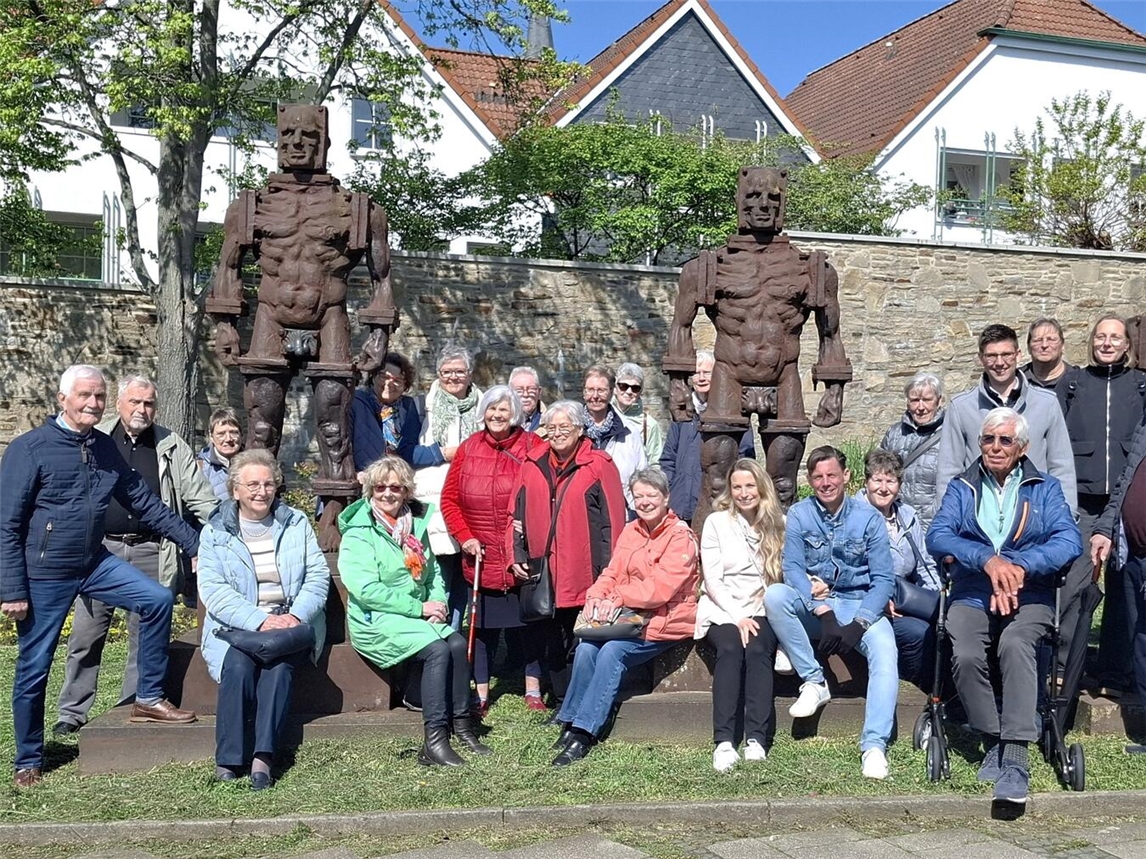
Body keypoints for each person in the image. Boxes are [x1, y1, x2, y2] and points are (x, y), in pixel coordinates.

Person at [206, 104, 398, 549]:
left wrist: (379, 333)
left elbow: (381, 275)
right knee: (261, 421)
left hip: (330, 313)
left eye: (307, 136)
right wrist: (225, 323)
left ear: (324, 143)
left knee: (334, 416)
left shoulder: (356, 209)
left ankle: (335, 516)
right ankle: (255, 518)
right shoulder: (251, 207)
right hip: (271, 315)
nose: (296, 143)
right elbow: (228, 266)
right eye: (288, 135)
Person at [0, 365, 200, 789]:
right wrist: (12, 588)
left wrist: (195, 543)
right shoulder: (30, 449)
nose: (92, 403)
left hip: (94, 562)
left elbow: (145, 503)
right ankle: (29, 758)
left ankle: (147, 697)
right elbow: (7, 525)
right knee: (35, 666)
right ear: (63, 399)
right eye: (84, 396)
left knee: (156, 599)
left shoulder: (103, 447)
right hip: (44, 574)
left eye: (99, 397)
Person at [662, 166, 852, 524]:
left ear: (783, 205)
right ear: (739, 202)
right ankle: (708, 569)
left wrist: (834, 388)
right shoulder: (709, 268)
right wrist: (678, 383)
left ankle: (781, 567)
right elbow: (681, 324)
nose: (763, 205)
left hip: (785, 378)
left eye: (772, 198)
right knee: (717, 483)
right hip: (728, 374)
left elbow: (831, 332)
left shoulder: (811, 270)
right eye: (753, 197)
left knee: (783, 485)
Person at [927, 408, 1081, 806]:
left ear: (1022, 447)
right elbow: (939, 536)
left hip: (1029, 592)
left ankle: (1015, 753)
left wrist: (1018, 566)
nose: (995, 447)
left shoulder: (1043, 488)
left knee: (1015, 643)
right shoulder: (963, 486)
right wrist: (986, 560)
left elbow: (1069, 541)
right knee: (962, 649)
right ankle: (992, 735)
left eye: (1005, 440)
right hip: (974, 589)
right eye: (988, 439)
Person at [53, 374, 219, 736]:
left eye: (149, 404)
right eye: (135, 402)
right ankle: (72, 712)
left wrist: (224, 529)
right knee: (86, 633)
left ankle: (132, 703)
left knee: (144, 635)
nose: (142, 409)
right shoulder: (97, 440)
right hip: (101, 550)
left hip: (149, 550)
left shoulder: (170, 445)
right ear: (118, 404)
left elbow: (200, 497)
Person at [338, 455, 489, 767]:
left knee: (457, 643)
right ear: (370, 490)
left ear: (406, 490)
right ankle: (434, 741)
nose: (388, 494)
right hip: (375, 619)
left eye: (396, 487)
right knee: (437, 650)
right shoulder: (358, 531)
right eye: (380, 487)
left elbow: (432, 575)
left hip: (416, 615)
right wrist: (419, 608)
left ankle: (462, 726)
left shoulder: (414, 525)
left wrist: (438, 605)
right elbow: (365, 589)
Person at [197, 449, 330, 790]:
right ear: (235, 489)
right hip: (240, 630)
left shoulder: (296, 523)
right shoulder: (215, 532)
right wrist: (259, 621)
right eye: (252, 484)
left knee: (277, 665)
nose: (261, 491)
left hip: (289, 626)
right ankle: (228, 759)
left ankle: (262, 759)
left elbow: (317, 576)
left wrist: (296, 615)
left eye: (269, 483)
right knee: (241, 667)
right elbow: (214, 590)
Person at [763, 446, 898, 780]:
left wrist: (860, 622)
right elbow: (792, 568)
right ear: (810, 480)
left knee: (884, 649)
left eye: (832, 475)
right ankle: (814, 680)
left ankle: (874, 745)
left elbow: (883, 580)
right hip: (818, 600)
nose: (825, 483)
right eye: (818, 477)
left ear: (846, 476)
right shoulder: (799, 514)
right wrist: (820, 609)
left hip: (858, 602)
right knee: (776, 596)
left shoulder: (868, 518)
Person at [549, 468, 698, 766]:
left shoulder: (680, 537)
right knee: (588, 647)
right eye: (638, 495)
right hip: (628, 617)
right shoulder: (631, 530)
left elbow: (661, 589)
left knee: (613, 653)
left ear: (666, 497)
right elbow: (612, 572)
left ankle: (584, 731)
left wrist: (618, 596)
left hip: (664, 621)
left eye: (651, 495)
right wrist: (596, 595)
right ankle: (568, 715)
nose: (644, 502)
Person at [509, 401, 627, 704]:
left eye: (565, 427)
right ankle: (562, 700)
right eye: (552, 427)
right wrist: (516, 555)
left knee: (581, 638)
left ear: (579, 429)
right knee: (550, 639)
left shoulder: (599, 465)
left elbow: (613, 522)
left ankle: (584, 700)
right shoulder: (531, 463)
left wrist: (609, 573)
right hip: (543, 569)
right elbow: (516, 515)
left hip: (584, 570)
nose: (558, 433)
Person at [439, 386, 544, 714]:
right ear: (483, 413)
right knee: (482, 628)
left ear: (514, 414)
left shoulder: (532, 446)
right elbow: (449, 499)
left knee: (531, 624)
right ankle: (481, 693)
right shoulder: (469, 448)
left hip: (520, 554)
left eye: (504, 410)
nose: (497, 416)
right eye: (491, 410)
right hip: (480, 554)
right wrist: (464, 536)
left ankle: (533, 689)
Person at [1057, 314, 1146, 690]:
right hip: (1084, 502)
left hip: (1126, 501)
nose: (1107, 344)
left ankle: (1116, 667)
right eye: (1100, 337)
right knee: (1077, 582)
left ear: (1127, 346)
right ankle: (1066, 664)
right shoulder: (1075, 383)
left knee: (1124, 589)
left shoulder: (1140, 386)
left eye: (1115, 338)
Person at [696, 459, 784, 772]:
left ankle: (756, 738)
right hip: (723, 607)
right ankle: (723, 740)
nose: (744, 493)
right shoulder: (716, 523)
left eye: (749, 486)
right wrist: (736, 615)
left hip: (761, 606)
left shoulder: (777, 523)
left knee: (759, 649)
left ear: (761, 487)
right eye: (737, 487)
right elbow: (713, 579)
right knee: (732, 648)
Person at [935, 324, 1076, 511]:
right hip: (979, 516)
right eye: (991, 356)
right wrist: (947, 522)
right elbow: (948, 469)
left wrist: (1066, 517)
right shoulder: (961, 407)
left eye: (1006, 354)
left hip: (1034, 514)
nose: (999, 362)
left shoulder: (1046, 403)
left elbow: (1062, 467)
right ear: (981, 359)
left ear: (1018, 355)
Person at [855, 449, 939, 692]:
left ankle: (948, 695)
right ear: (866, 482)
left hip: (905, 598)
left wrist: (934, 598)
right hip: (869, 602)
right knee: (918, 633)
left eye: (890, 481)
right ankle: (916, 690)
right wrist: (878, 597)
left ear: (899, 485)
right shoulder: (852, 515)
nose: (883, 488)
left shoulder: (907, 515)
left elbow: (926, 564)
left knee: (946, 625)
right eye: (877, 480)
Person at [414, 344, 484, 627]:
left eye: (459, 371)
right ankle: (435, 632)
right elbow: (406, 452)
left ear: (470, 374)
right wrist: (442, 453)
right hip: (433, 504)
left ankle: (455, 630)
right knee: (436, 572)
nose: (453, 377)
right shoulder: (422, 407)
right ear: (438, 374)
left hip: (470, 499)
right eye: (447, 372)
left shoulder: (484, 406)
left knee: (463, 573)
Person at [660, 350, 754, 526]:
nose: (701, 378)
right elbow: (668, 458)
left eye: (707, 372)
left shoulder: (733, 415)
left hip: (718, 504)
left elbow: (745, 459)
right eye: (697, 373)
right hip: (681, 504)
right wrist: (672, 490)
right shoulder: (683, 414)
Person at [1093, 417, 1146, 720]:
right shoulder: (1143, 423)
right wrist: (1104, 528)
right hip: (1134, 553)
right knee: (1140, 640)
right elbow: (1126, 481)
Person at [880, 371, 946, 532]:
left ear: (938, 401)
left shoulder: (951, 433)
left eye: (927, 400)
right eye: (915, 400)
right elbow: (879, 474)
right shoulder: (894, 434)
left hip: (936, 525)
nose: (921, 407)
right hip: (898, 524)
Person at [349, 351, 434, 471]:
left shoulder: (411, 407)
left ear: (405, 386)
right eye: (384, 376)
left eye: (398, 380)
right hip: (366, 477)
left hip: (401, 479)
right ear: (373, 377)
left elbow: (412, 448)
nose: (389, 384)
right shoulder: (356, 402)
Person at [581, 365, 647, 512]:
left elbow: (641, 475)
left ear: (611, 392)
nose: (595, 396)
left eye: (602, 390)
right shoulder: (573, 429)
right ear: (584, 392)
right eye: (590, 390)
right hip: (580, 511)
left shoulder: (629, 432)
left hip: (619, 512)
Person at [612, 362, 664, 464]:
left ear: (640, 392)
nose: (629, 391)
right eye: (623, 386)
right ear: (615, 388)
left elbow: (655, 463)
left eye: (635, 388)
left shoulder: (649, 425)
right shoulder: (603, 416)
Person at [197, 407, 243, 501]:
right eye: (221, 434)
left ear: (241, 435)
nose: (228, 439)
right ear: (211, 437)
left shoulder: (254, 464)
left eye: (233, 432)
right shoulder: (200, 468)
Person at [1021, 318, 1074, 391]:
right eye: (1038, 340)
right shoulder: (1017, 379)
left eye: (1051, 339)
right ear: (1029, 347)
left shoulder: (1078, 380)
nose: (1044, 345)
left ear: (1062, 345)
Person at [509, 366, 546, 436]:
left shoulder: (551, 423)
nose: (525, 394)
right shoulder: (500, 423)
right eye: (519, 390)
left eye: (531, 389)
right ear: (509, 393)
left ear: (539, 392)